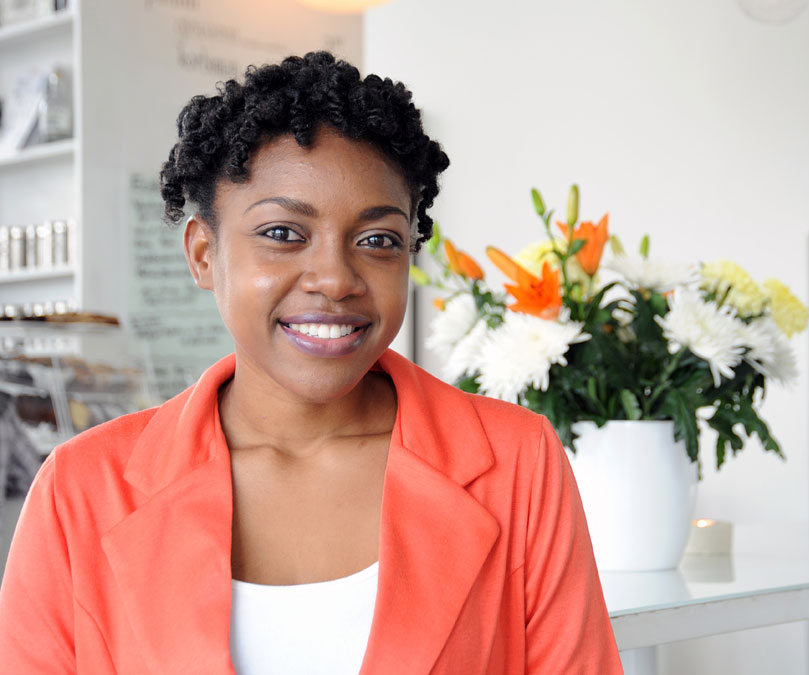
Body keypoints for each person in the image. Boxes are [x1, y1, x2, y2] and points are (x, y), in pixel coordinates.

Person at [0, 52, 622, 673]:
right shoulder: (78, 491)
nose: (335, 278)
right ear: (202, 254)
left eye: (378, 240)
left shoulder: (518, 463)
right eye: (282, 234)